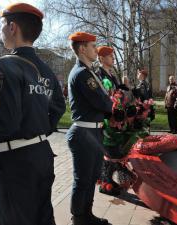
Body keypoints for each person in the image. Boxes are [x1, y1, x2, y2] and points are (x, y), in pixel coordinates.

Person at [0, 3, 66, 225]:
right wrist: (38, 128)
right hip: (41, 155)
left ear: (12, 27)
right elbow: (58, 107)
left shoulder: (2, 66)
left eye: (2, 25)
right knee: (43, 218)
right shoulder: (47, 71)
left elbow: (5, 122)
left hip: (14, 163)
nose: (0, 31)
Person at [66, 31, 112, 225]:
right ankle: (78, 218)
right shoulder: (82, 74)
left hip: (92, 132)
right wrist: (111, 105)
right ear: (82, 49)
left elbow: (104, 100)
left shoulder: (88, 71)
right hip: (84, 133)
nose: (96, 49)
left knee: (92, 176)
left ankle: (87, 214)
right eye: (93, 46)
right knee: (82, 179)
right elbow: (102, 102)